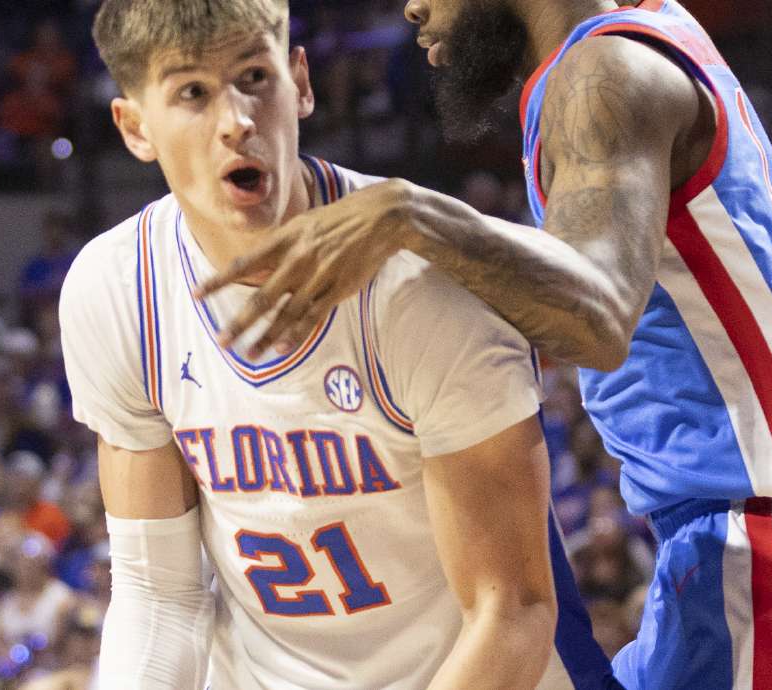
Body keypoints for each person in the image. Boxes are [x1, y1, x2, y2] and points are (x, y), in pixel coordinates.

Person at [194, 0, 772, 687]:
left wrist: (407, 213)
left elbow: (597, 317)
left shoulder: (607, 72)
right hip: (738, 551)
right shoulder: (627, 43)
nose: (411, 9)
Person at [61, 1, 614, 688]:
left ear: (300, 83)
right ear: (136, 127)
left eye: (254, 79)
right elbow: (160, 597)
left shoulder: (422, 284)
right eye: (193, 94)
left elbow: (514, 613)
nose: (236, 122)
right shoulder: (117, 289)